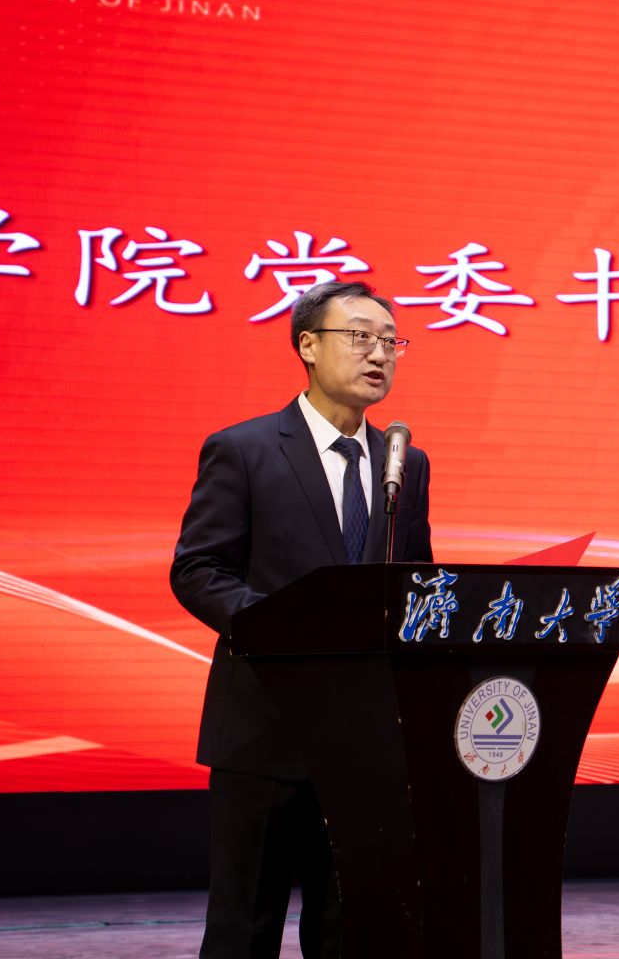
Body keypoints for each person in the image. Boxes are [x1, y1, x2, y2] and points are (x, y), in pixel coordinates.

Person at [170, 280, 433, 959]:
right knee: (244, 929)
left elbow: (416, 583)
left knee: (352, 931)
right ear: (308, 346)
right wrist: (284, 625)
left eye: (391, 342)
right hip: (265, 730)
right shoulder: (245, 449)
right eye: (360, 336)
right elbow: (198, 570)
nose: (380, 354)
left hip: (368, 740)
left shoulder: (406, 463)